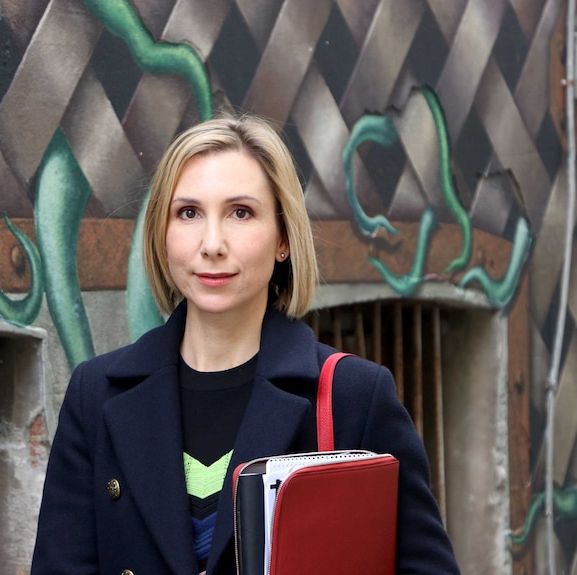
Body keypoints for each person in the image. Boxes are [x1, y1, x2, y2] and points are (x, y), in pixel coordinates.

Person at [31, 114, 460, 574]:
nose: (212, 244)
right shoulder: (96, 394)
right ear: (162, 234)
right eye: (188, 213)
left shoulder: (354, 396)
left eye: (241, 212)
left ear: (282, 239)